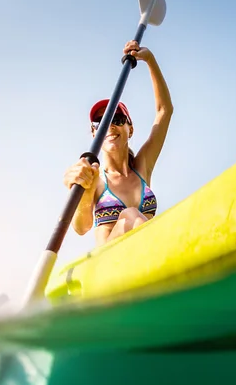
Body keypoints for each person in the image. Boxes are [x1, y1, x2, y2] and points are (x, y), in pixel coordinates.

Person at [63, 40, 173, 247]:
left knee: (137, 217)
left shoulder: (142, 168)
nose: (110, 126)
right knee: (131, 215)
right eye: (101, 123)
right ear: (95, 133)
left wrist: (149, 59)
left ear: (130, 129)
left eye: (118, 119)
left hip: (150, 256)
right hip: (113, 265)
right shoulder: (93, 176)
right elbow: (81, 227)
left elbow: (164, 111)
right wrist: (85, 191)